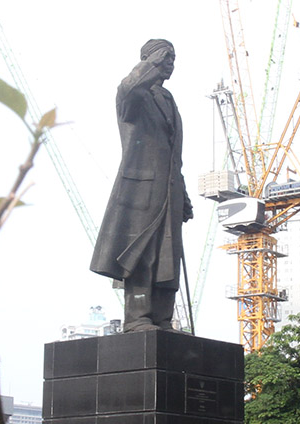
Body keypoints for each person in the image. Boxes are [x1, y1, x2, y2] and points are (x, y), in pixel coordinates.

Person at [90, 38, 194, 332]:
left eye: (173, 56)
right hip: (141, 189)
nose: (171, 61)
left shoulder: (169, 100)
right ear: (149, 58)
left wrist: (182, 195)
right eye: (165, 56)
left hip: (169, 190)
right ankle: (137, 319)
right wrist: (151, 63)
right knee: (141, 254)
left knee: (167, 257)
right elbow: (128, 88)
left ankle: (162, 318)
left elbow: (174, 153)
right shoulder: (134, 96)